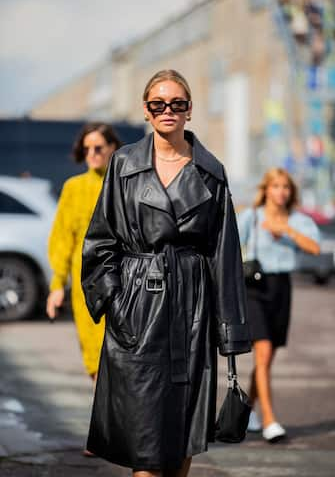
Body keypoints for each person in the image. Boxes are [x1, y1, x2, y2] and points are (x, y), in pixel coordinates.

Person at [81, 69, 251, 477]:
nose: (167, 111)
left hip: (192, 313)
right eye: (158, 104)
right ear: (146, 110)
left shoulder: (211, 172)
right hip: (138, 311)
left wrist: (229, 333)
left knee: (180, 443)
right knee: (147, 452)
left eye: (177, 103)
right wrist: (117, 303)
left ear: (189, 110)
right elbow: (100, 242)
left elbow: (224, 256)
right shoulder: (124, 164)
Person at [238, 168, 320, 443]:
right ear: (266, 189)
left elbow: (315, 248)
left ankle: (246, 412)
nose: (281, 191)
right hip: (255, 288)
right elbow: (229, 244)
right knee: (262, 351)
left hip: (281, 288)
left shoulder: (298, 219)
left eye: (285, 186)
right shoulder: (252, 216)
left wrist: (286, 229)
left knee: (267, 357)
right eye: (275, 186)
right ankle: (270, 421)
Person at [46, 122, 121, 383]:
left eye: (98, 147)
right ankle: (107, 419)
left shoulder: (125, 184)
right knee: (93, 356)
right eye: (86, 148)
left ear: (113, 148)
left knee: (123, 359)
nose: (92, 154)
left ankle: (120, 420)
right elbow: (62, 238)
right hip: (86, 285)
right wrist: (57, 285)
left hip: (124, 282)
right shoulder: (73, 188)